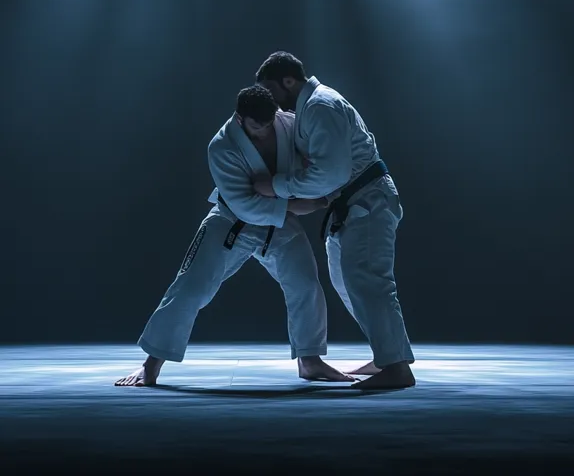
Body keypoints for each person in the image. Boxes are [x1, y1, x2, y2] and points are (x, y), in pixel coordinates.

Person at [116, 85, 353, 387]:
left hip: (282, 221)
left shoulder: (288, 123)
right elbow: (247, 205)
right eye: (257, 127)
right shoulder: (221, 146)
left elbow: (311, 163)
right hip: (231, 220)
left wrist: (309, 194)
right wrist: (306, 204)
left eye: (270, 124)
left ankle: (311, 361)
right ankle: (151, 366)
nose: (266, 131)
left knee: (306, 283)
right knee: (191, 286)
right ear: (240, 119)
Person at [253, 52, 415, 391]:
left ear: (288, 81)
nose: (269, 99)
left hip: (367, 199)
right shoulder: (307, 110)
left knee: (370, 282)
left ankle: (398, 368)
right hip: (351, 204)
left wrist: (278, 187)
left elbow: (331, 173)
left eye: (270, 88)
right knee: (347, 281)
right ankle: (387, 353)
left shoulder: (321, 106)